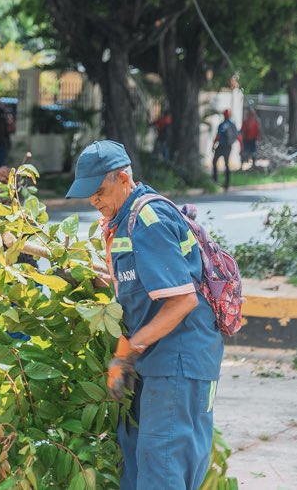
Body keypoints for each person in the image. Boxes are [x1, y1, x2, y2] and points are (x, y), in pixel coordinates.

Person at [66, 140, 223, 490]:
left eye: (100, 192)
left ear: (123, 178)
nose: (94, 201)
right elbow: (139, 297)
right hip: (152, 363)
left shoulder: (147, 220)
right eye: (89, 194)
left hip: (178, 364)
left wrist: (127, 352)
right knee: (136, 466)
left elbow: (182, 302)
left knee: (162, 470)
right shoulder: (122, 222)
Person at [211, 110, 240, 191]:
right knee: (222, 163)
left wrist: (213, 145)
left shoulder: (224, 124)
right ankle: (222, 182)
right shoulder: (231, 124)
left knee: (219, 163)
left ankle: (219, 181)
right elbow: (237, 136)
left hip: (224, 146)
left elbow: (218, 136)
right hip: (226, 146)